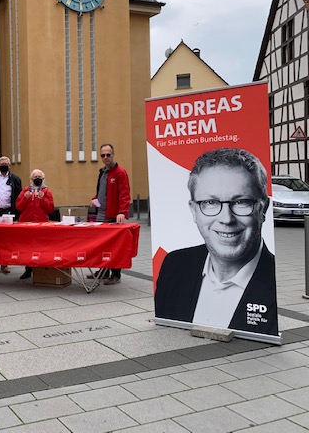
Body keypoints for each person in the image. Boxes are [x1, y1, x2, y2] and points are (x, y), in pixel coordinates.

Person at [155, 148, 278, 335]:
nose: (226, 219)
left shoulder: (276, 280)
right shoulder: (174, 264)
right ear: (194, 210)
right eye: (211, 203)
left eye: (241, 202)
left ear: (263, 209)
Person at [90, 143, 130, 284]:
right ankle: (103, 271)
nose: (105, 157)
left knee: (114, 246)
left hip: (113, 215)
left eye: (108, 154)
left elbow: (124, 194)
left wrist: (122, 212)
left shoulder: (119, 172)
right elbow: (102, 191)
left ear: (113, 155)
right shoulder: (102, 172)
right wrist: (95, 199)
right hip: (100, 214)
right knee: (102, 245)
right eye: (103, 155)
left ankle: (116, 274)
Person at [15, 169, 55, 279]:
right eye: (35, 177)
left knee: (40, 247)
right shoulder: (26, 190)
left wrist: (43, 199)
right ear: (31, 179)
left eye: (39, 177)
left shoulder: (47, 191)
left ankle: (40, 269)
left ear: (43, 179)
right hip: (26, 223)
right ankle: (28, 269)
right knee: (27, 247)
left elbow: (50, 209)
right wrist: (25, 198)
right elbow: (18, 207)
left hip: (41, 223)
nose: (37, 179)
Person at [0, 156, 23, 273]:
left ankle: (5, 263)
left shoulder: (15, 179)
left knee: (6, 239)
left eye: (6, 164)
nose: (4, 165)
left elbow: (19, 197)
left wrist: (17, 214)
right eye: (2, 164)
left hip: (8, 212)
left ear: (9, 165)